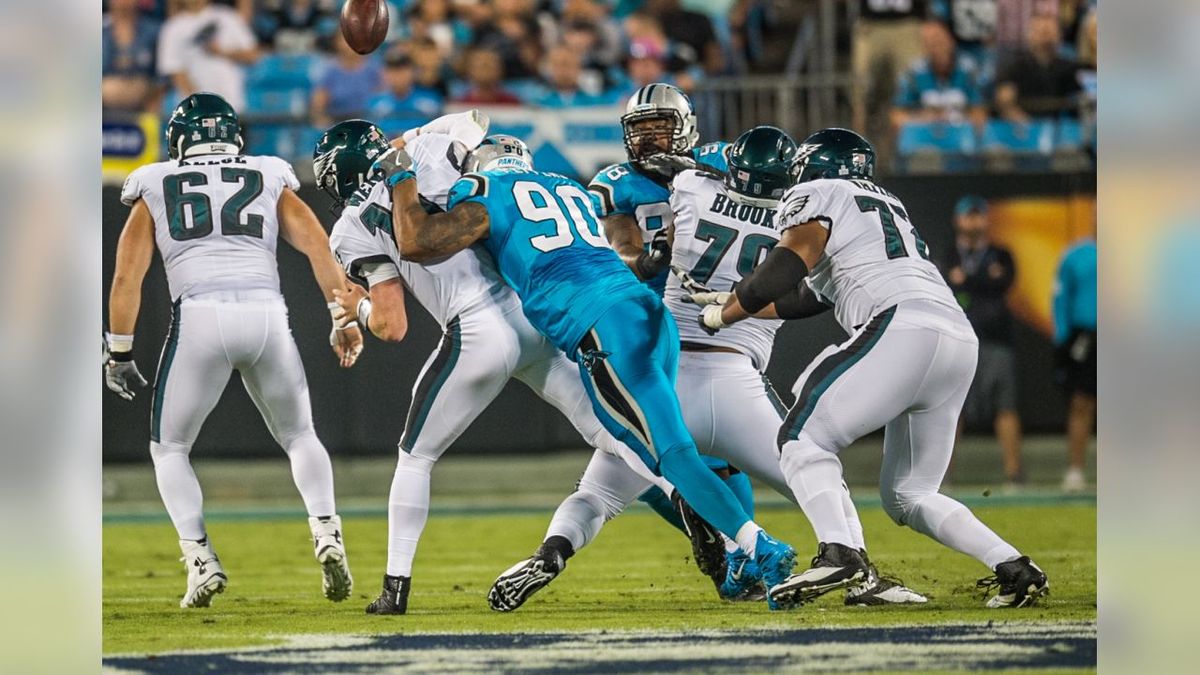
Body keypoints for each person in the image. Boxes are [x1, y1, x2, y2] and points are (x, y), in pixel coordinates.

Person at [489, 126, 927, 611]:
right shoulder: (798, 214)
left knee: (599, 491)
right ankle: (858, 572)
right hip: (737, 381)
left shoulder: (692, 189)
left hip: (665, 374)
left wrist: (683, 172)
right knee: (814, 472)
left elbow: (663, 196)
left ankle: (552, 551)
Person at [380, 134, 800, 609]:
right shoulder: (568, 188)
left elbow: (417, 242)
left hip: (600, 326)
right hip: (651, 316)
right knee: (632, 457)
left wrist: (402, 177)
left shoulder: (485, 191)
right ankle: (720, 548)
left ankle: (754, 545)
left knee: (670, 453)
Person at [315, 114, 672, 616]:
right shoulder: (432, 149)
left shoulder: (349, 228)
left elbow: (391, 326)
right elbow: (475, 120)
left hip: (476, 332)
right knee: (620, 432)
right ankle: (710, 518)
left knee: (416, 457)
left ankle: (395, 589)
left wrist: (359, 309)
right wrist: (411, 138)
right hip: (535, 311)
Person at [690, 128, 1048, 609]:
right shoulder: (884, 204)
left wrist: (725, 314)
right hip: (956, 338)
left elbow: (785, 267)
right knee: (909, 494)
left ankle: (839, 554)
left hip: (902, 327)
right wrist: (733, 302)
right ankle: (1015, 567)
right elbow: (804, 299)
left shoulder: (821, 191)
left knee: (799, 437)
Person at [104, 92, 361, 609]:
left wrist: (121, 351)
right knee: (300, 435)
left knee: (169, 449)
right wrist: (344, 317)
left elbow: (128, 276)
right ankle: (326, 530)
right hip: (267, 314)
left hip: (200, 316)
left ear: (180, 139)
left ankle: (201, 559)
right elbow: (317, 244)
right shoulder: (267, 171)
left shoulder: (154, 180)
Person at [587, 83, 747, 587]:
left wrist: (696, 173)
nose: (649, 138)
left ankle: (737, 547)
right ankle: (725, 539)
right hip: (649, 318)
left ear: (687, 128)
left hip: (718, 311)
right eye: (640, 130)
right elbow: (621, 244)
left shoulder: (721, 162)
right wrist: (648, 261)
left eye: (660, 127)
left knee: (721, 446)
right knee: (642, 448)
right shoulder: (617, 183)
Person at [940, 195, 1024, 487]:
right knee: (951, 410)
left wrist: (967, 280)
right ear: (958, 220)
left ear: (986, 219)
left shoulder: (1001, 254)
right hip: (958, 341)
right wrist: (984, 280)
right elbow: (948, 284)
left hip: (995, 340)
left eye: (978, 215)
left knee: (1006, 406)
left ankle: (1014, 474)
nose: (974, 221)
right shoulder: (949, 255)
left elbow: (1003, 283)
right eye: (969, 215)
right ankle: (942, 477)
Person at [157, 0, 259, 112]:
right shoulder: (173, 27)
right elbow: (175, 71)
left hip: (231, 105)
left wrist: (221, 52)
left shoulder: (227, 17)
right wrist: (199, 105)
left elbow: (252, 55)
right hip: (194, 112)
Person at [1053, 233, 1096, 492]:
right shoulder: (1076, 255)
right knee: (1081, 402)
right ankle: (1076, 470)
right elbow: (1061, 297)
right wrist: (1063, 339)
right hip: (1086, 337)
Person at [891, 20, 987, 132]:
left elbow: (980, 115)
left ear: (951, 41)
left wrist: (954, 120)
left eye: (938, 41)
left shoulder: (970, 70)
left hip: (961, 136)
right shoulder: (913, 72)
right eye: (928, 44)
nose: (935, 49)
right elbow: (897, 116)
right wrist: (920, 119)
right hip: (924, 136)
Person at [995, 12, 1083, 123]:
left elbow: (1085, 99)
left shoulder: (1073, 68)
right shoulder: (1014, 67)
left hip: (1064, 127)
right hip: (1027, 126)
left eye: (1050, 32)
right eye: (1041, 32)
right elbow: (1004, 100)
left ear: (1060, 36)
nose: (1046, 37)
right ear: (1029, 35)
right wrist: (1024, 123)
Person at [310, 30, 383, 127]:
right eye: (345, 39)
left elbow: (384, 99)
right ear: (336, 43)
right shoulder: (329, 71)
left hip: (370, 122)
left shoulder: (374, 68)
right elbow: (318, 106)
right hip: (339, 123)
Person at [103, 0, 164, 112]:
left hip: (145, 101)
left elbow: (163, 75)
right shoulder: (100, 30)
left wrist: (155, 97)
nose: (123, 2)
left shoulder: (154, 31)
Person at [366, 48, 444, 121]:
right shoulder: (374, 103)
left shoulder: (431, 100)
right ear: (384, 74)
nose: (397, 75)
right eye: (392, 70)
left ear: (413, 71)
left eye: (402, 69)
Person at [451, 46, 522, 105]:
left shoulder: (511, 102)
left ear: (500, 70)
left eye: (490, 66)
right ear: (469, 71)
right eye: (481, 66)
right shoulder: (460, 103)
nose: (485, 71)